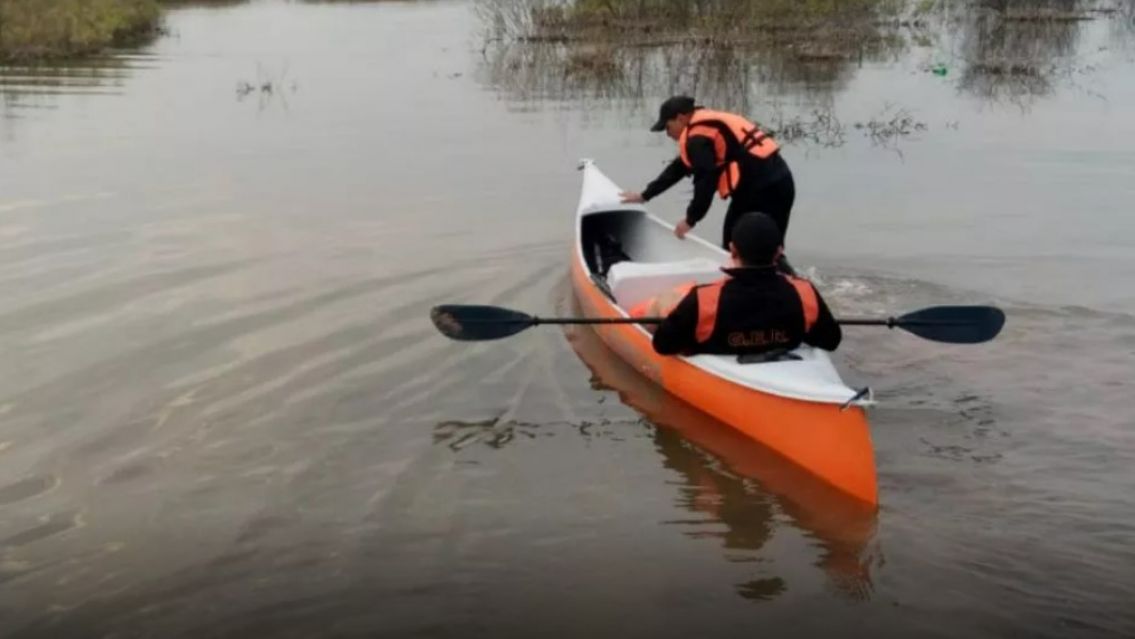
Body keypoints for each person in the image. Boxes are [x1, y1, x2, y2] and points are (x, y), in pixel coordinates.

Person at [620, 95, 797, 263]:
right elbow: (678, 168)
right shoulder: (706, 127)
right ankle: (792, 286)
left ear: (681, 118)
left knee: (734, 244)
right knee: (772, 248)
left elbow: (705, 180)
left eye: (667, 127)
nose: (668, 134)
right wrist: (645, 195)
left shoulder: (697, 138)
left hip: (759, 191)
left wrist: (691, 219)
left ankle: (738, 289)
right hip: (783, 183)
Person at [650, 212, 841, 357]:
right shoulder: (804, 291)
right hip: (783, 361)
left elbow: (662, 346)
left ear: (732, 250)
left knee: (664, 300)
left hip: (722, 368)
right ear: (779, 252)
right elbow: (831, 341)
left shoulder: (704, 298)